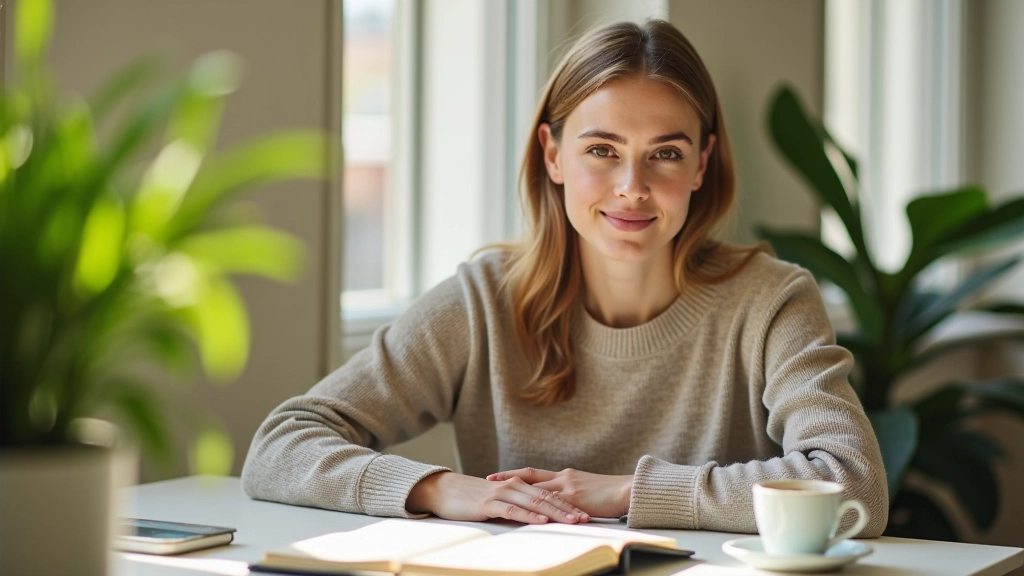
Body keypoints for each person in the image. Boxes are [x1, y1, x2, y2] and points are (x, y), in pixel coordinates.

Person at [241, 19, 888, 535]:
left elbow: (853, 483)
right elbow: (280, 444)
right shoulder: (484, 301)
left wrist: (627, 493)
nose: (632, 189)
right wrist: (437, 489)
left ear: (702, 164)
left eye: (665, 154)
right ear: (552, 155)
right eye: (601, 151)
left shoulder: (771, 301)